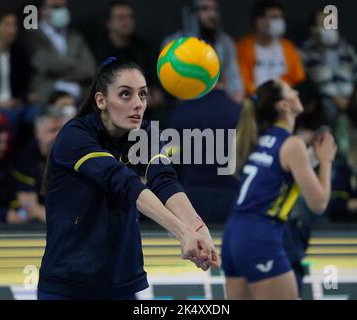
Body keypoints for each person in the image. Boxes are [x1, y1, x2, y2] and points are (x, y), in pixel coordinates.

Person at [37, 58, 219, 300]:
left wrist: (199, 229)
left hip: (120, 284)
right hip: (68, 284)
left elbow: (163, 179)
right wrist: (182, 232)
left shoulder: (147, 133)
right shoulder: (75, 136)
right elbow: (123, 182)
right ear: (101, 100)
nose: (137, 104)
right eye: (125, 95)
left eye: (142, 95)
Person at [221, 80, 337, 299]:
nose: (296, 91)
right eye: (290, 89)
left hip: (233, 235)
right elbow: (319, 203)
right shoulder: (292, 144)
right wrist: (326, 161)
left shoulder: (262, 138)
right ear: (284, 105)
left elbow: (280, 176)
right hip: (260, 235)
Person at [167, 87, 241, 223]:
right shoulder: (238, 112)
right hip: (231, 197)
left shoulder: (184, 111)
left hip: (190, 197)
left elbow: (171, 159)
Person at [162, 0, 244, 103]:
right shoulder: (173, 44)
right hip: (186, 104)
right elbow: (174, 87)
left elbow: (234, 79)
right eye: (205, 9)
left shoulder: (225, 43)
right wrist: (214, 87)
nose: (212, 14)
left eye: (215, 10)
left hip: (219, 103)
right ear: (192, 13)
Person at [24, 0, 96, 103]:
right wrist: (75, 65)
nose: (61, 11)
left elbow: (89, 69)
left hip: (78, 97)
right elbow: (46, 65)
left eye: (63, 7)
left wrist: (56, 73)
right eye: (56, 7)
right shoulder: (32, 36)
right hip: (45, 97)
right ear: (42, 10)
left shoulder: (76, 37)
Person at [300, 10, 357, 126]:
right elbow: (307, 83)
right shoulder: (304, 52)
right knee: (327, 105)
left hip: (352, 97)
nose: (330, 28)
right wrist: (333, 97)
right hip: (326, 100)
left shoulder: (347, 49)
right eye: (324, 25)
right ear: (313, 29)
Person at [236, 0, 305, 97]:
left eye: (280, 17)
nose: (279, 22)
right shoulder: (242, 47)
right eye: (274, 18)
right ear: (259, 21)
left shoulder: (288, 47)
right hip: (255, 101)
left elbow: (298, 78)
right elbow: (243, 82)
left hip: (285, 100)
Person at [13, 107, 68, 223]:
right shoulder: (25, 158)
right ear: (37, 132)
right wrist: (63, 223)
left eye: (62, 130)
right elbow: (30, 207)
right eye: (52, 130)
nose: (58, 136)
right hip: (43, 224)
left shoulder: (73, 153)